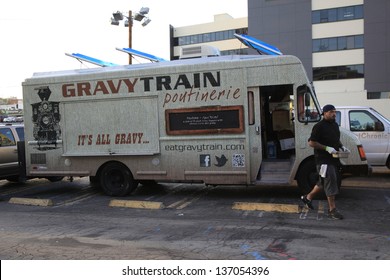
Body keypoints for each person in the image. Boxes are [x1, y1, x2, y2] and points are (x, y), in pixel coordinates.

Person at [301, 104, 348, 220]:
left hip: (333, 159)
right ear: (325, 113)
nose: (334, 114)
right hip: (323, 160)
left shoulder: (335, 125)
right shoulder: (319, 126)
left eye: (335, 112)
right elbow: (311, 142)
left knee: (323, 182)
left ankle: (307, 197)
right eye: (331, 112)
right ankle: (332, 210)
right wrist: (326, 148)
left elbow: (336, 139)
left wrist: (342, 147)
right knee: (331, 182)